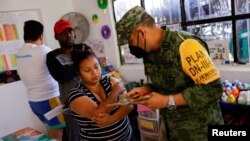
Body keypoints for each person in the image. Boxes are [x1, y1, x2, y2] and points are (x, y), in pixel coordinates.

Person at [116, 6, 224, 141]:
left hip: (202, 131)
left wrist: (167, 101)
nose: (131, 47)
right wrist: (145, 89)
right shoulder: (149, 54)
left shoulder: (186, 45)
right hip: (174, 130)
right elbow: (164, 84)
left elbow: (214, 89)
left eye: (130, 41)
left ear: (141, 33)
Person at [68, 50, 134, 140]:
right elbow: (99, 114)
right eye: (87, 70)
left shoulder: (110, 81)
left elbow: (129, 105)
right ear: (79, 73)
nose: (94, 72)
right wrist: (115, 91)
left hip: (127, 137)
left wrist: (111, 119)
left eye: (96, 67)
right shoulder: (76, 95)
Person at [16, 20, 65, 141]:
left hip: (34, 102)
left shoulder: (19, 52)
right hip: (50, 100)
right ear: (40, 35)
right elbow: (61, 68)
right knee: (58, 134)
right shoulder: (43, 50)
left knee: (50, 130)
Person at [46, 19, 92, 141]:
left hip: (91, 99)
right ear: (56, 36)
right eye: (63, 32)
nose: (68, 34)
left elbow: (93, 67)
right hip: (71, 104)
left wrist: (77, 63)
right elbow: (62, 76)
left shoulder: (84, 48)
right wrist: (80, 62)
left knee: (95, 133)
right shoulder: (52, 56)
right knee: (75, 136)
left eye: (70, 31)